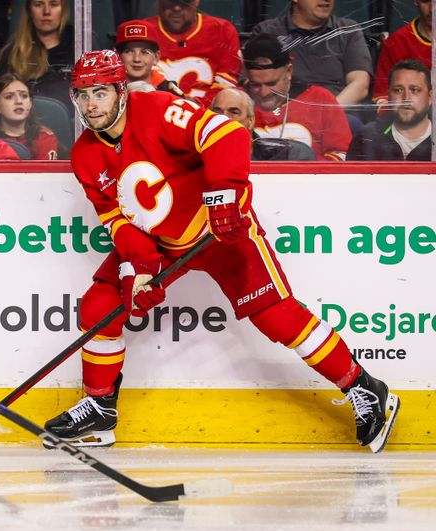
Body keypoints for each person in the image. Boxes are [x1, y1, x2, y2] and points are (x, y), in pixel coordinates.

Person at [44, 49, 399, 455]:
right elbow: (120, 221)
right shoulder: (86, 155)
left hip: (221, 232)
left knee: (277, 317)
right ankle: (100, 408)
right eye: (84, 95)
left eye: (101, 93)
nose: (92, 104)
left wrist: (222, 196)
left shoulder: (158, 109)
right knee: (99, 306)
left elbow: (226, 135)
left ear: (121, 92)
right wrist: (139, 267)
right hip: (162, 243)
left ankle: (366, 389)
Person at [243, 33, 352, 161]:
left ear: (289, 72)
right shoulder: (234, 102)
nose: (264, 93)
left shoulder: (319, 99)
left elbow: (340, 155)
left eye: (271, 83)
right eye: (255, 84)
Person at [252, 0, 372, 112]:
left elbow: (360, 84)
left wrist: (327, 115)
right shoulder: (267, 31)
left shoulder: (348, 31)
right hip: (282, 115)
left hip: (335, 114)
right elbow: (256, 84)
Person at [140, 0, 241, 106]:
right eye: (170, 1)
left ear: (197, 2)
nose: (177, 8)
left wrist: (196, 105)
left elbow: (226, 84)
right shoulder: (143, 31)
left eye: (184, 2)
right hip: (153, 110)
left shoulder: (222, 30)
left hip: (208, 114)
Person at [0, 0, 74, 112]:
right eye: (39, 4)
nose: (46, 11)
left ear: (63, 10)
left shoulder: (81, 47)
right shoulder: (11, 53)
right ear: (29, 10)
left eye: (53, 4)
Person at [349, 59, 432, 161]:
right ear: (388, 96)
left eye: (414, 90)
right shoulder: (366, 138)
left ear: (430, 97)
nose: (406, 98)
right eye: (398, 90)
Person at [373, 0, 432, 111]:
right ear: (416, 1)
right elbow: (382, 100)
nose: (433, 8)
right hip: (411, 122)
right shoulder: (396, 43)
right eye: (426, 1)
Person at [0, 73, 59, 160]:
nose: (19, 101)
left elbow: (45, 173)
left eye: (24, 96)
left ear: (30, 104)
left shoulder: (44, 137)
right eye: (9, 97)